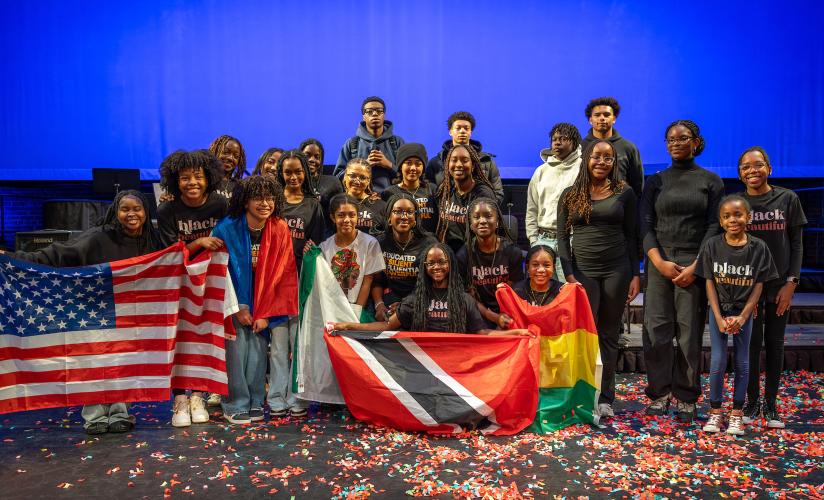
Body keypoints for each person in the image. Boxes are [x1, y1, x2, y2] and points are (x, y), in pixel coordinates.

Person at [4, 190, 163, 435]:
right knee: (95, 362)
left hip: (131, 313)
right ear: (116, 212)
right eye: (125, 209)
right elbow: (59, 253)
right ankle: (95, 416)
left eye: (137, 209)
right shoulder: (98, 237)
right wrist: (14, 257)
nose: (131, 214)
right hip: (96, 309)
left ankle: (121, 413)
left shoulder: (154, 240)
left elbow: (175, 257)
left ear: (146, 212)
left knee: (122, 363)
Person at [640, 120, 724, 423]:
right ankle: (659, 394)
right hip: (658, 262)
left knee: (689, 335)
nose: (676, 143)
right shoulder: (655, 181)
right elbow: (644, 224)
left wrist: (697, 265)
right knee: (656, 333)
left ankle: (687, 397)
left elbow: (715, 227)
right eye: (671, 139)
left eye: (683, 138)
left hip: (694, 264)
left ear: (696, 142)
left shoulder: (711, 181)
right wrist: (658, 261)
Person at [557, 140, 641, 419]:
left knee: (608, 335)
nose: (602, 162)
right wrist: (569, 273)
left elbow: (632, 236)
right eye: (597, 156)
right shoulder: (570, 194)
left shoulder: (624, 192)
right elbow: (560, 237)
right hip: (582, 274)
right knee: (584, 337)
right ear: (587, 159)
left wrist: (635, 274)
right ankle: (582, 394)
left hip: (617, 271)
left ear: (614, 162)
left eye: (608, 158)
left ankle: (605, 398)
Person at [212, 176, 299, 424]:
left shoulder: (280, 227)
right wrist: (238, 305)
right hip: (232, 298)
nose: (265, 203)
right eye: (258, 197)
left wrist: (265, 312)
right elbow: (221, 272)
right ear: (244, 200)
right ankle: (235, 402)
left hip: (266, 299)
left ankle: (255, 400)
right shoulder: (226, 228)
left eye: (270, 197)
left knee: (259, 351)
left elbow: (284, 272)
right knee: (237, 350)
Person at [157, 149, 229, 426]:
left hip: (211, 282)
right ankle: (179, 400)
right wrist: (198, 244)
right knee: (180, 339)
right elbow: (168, 253)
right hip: (179, 282)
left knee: (204, 336)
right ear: (175, 182)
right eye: (185, 178)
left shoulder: (220, 206)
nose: (192, 183)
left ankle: (198, 395)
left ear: (208, 177)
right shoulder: (167, 210)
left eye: (197, 176)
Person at [737, 147, 807, 428]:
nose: (752, 171)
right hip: (749, 289)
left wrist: (792, 282)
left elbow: (798, 244)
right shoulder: (737, 203)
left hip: (780, 287)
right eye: (745, 167)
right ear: (739, 174)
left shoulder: (787, 198)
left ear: (770, 168)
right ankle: (751, 402)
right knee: (751, 347)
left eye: (758, 165)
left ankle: (771, 404)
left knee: (775, 345)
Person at [696, 195, 777, 435]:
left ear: (748, 218)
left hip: (744, 312)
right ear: (721, 221)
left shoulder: (759, 248)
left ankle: (736, 414)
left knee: (743, 362)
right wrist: (718, 316)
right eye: (727, 216)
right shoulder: (712, 245)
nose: (733, 219)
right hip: (719, 311)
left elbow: (759, 285)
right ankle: (715, 412)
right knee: (718, 361)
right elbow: (709, 282)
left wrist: (743, 316)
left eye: (738, 214)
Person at [333, 243, 531, 336]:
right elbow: (386, 327)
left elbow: (482, 333)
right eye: (431, 263)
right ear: (425, 268)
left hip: (456, 370)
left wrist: (516, 334)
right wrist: (350, 326)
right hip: (424, 369)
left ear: (451, 264)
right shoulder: (414, 300)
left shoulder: (464, 299)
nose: (437, 267)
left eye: (442, 262)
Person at [525, 123, 582, 282]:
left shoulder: (583, 169)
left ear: (574, 142)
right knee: (545, 292)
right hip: (544, 239)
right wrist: (534, 240)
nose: (557, 142)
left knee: (569, 292)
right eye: (554, 139)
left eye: (563, 139)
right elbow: (532, 209)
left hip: (571, 240)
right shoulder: (541, 171)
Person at [457, 197, 524, 329]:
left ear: (498, 222)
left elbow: (515, 291)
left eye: (488, 216)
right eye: (476, 217)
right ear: (470, 224)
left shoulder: (512, 252)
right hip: (478, 312)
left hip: (508, 310)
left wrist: (502, 316)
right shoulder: (463, 255)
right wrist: (493, 317)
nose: (482, 221)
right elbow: (466, 297)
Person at [372, 193, 438, 321]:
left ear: (415, 218)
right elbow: (377, 281)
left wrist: (407, 305)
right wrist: (379, 305)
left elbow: (433, 282)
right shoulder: (380, 242)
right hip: (390, 298)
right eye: (398, 212)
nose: (404, 216)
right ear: (389, 218)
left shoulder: (429, 243)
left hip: (421, 299)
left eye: (409, 212)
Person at [319, 194, 385, 318]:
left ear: (357, 217)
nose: (347, 220)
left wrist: (356, 312)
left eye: (352, 215)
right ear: (333, 218)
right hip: (332, 309)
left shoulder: (370, 243)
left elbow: (368, 280)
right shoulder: (324, 247)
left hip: (362, 306)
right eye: (341, 215)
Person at [425, 111, 505, 204]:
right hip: (447, 215)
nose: (462, 131)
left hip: (478, 216)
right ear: (450, 131)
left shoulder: (487, 161)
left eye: (466, 128)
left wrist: (480, 211)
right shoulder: (436, 162)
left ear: (470, 132)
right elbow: (429, 194)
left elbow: (498, 193)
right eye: (458, 128)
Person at [333, 96, 405, 193]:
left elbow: (410, 175)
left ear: (384, 115)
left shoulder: (397, 142)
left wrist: (389, 165)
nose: (375, 114)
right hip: (359, 200)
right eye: (369, 111)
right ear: (363, 116)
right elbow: (337, 178)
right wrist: (364, 166)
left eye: (379, 111)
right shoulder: (352, 144)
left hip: (392, 200)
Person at [435, 144, 497, 252]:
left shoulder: (483, 193)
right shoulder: (444, 190)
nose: (459, 164)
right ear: (447, 165)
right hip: (447, 255)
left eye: (464, 160)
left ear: (473, 166)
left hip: (473, 254)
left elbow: (485, 234)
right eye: (454, 160)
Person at [580, 97, 644, 197]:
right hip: (585, 206)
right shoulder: (579, 148)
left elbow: (638, 186)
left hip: (621, 207)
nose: (602, 118)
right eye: (597, 115)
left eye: (606, 115)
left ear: (614, 119)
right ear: (590, 120)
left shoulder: (628, 147)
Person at [277, 150, 326, 273]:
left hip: (301, 269)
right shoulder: (273, 202)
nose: (293, 177)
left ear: (305, 172)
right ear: (281, 174)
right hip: (275, 267)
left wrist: (311, 247)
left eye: (298, 172)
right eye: (288, 173)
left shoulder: (313, 204)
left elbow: (317, 240)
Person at [381, 143, 439, 234]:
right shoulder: (389, 193)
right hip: (401, 245)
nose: (413, 168)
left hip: (429, 244)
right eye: (408, 163)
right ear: (400, 166)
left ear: (423, 167)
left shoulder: (433, 190)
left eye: (418, 164)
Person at [342, 158, 387, 235]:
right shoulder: (336, 203)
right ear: (345, 176)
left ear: (368, 181)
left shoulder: (381, 206)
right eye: (352, 176)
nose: (357, 181)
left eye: (362, 178)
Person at [299, 138, 344, 213]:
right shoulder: (292, 182)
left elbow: (339, 211)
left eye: (317, 157)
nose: (312, 160)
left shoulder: (332, 183)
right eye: (307, 155)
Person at [210, 134, 247, 199]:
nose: (230, 158)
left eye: (236, 156)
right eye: (226, 152)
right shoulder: (206, 180)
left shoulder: (239, 187)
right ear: (215, 152)